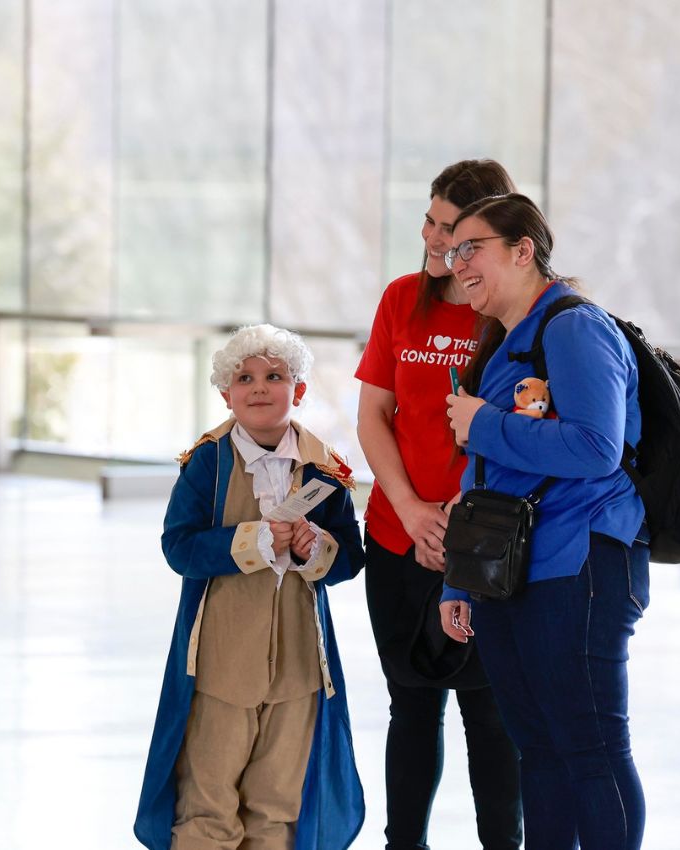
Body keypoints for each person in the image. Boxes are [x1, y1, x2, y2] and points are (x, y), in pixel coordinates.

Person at [440, 193, 648, 849]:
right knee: (539, 749)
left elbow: (595, 448)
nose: (457, 263)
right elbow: (492, 478)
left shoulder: (573, 328)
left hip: (579, 561)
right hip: (512, 570)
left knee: (590, 747)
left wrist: (483, 423)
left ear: (522, 249)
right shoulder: (508, 345)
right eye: (449, 251)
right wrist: (460, 578)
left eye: (471, 246)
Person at [134, 324, 368, 850]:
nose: (259, 387)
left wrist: (316, 547)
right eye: (245, 377)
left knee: (279, 806)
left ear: (298, 390)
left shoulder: (326, 469)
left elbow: (350, 558)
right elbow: (180, 548)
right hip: (221, 660)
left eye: (274, 376)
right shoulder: (207, 463)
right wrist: (253, 540)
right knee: (208, 800)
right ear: (226, 393)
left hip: (300, 667)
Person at [355, 160, 523, 849]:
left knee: (490, 711)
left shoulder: (507, 315)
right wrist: (411, 508)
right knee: (411, 705)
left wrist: (452, 520)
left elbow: (518, 431)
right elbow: (374, 416)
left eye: (450, 228)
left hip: (480, 544)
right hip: (396, 537)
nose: (432, 237)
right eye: (429, 220)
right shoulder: (401, 300)